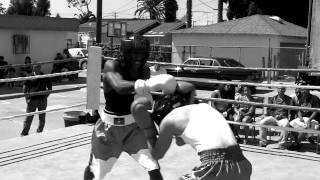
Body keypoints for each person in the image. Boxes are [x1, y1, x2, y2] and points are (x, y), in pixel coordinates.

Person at [83, 36, 163, 180]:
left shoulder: (144, 71)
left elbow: (145, 98)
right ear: (125, 53)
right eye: (134, 53)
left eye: (141, 54)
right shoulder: (111, 66)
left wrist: (162, 106)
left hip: (134, 128)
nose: (138, 58)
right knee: (94, 171)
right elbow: (119, 86)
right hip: (109, 130)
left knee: (154, 167)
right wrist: (146, 84)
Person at [140, 93, 252, 180]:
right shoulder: (204, 107)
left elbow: (156, 155)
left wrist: (147, 128)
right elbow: (181, 141)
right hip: (242, 164)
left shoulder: (168, 120)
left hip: (214, 168)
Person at [21, 64, 52, 136]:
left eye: (39, 67)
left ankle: (39, 132)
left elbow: (50, 88)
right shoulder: (29, 76)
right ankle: (24, 133)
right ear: (33, 68)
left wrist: (45, 96)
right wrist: (27, 98)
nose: (38, 68)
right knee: (28, 118)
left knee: (42, 118)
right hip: (32, 100)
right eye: (36, 67)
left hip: (42, 100)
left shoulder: (44, 76)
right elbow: (24, 87)